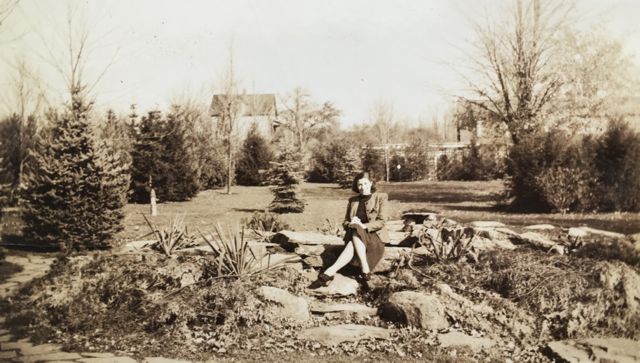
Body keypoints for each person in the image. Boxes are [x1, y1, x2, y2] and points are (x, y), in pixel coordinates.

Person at [309, 171, 388, 288]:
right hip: (356, 236)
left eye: (365, 184)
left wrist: (363, 226)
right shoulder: (352, 201)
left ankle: (330, 272)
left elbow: (382, 221)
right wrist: (351, 223)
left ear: (371, 183)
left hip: (374, 237)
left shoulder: (381, 197)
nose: (362, 187)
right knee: (355, 229)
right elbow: (345, 221)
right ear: (356, 186)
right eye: (359, 184)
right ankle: (363, 269)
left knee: (356, 231)